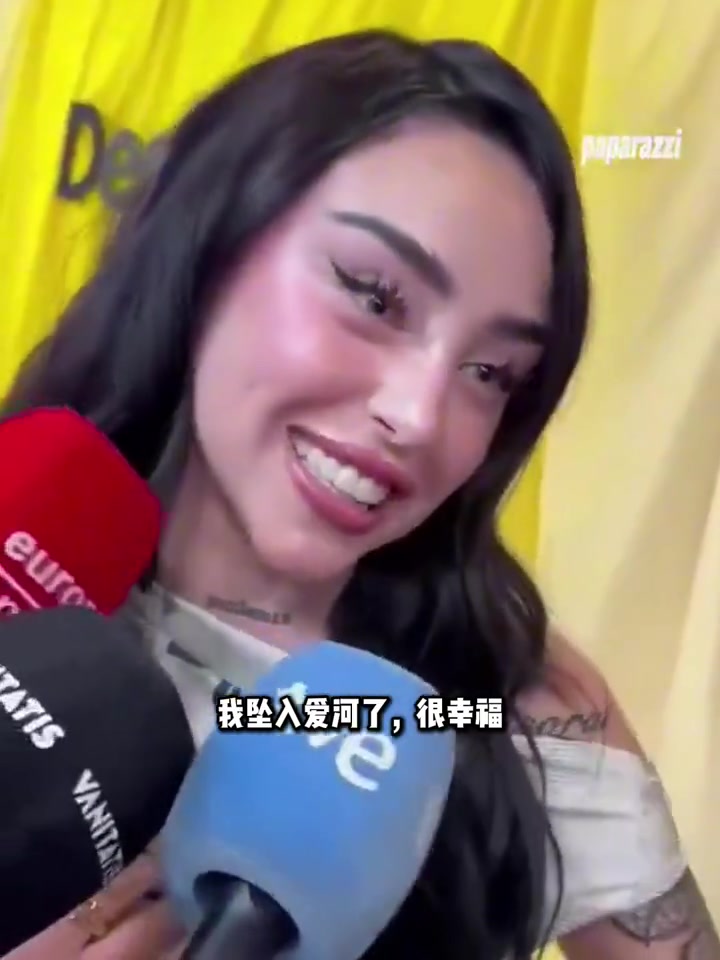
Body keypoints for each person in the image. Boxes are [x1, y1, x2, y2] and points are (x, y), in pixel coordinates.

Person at [2, 28, 716, 960]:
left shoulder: (497, 702)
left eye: (491, 372)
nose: (420, 415)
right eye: (374, 296)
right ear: (213, 239)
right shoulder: (24, 557)